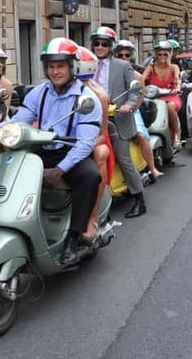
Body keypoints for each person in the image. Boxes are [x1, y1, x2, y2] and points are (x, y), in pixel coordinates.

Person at [10, 37, 103, 265]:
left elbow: (85, 143)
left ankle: (73, 237)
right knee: (7, 166)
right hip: (42, 150)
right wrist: (0, 130)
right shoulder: (38, 93)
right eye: (51, 66)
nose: (55, 72)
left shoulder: (87, 99)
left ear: (73, 67)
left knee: (90, 176)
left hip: (70, 153)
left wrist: (60, 169)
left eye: (61, 66)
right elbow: (20, 120)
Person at [90, 27, 147, 219]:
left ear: (110, 46)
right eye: (96, 43)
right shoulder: (86, 64)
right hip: (91, 119)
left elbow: (136, 90)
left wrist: (128, 106)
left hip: (116, 118)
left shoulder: (122, 66)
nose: (99, 47)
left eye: (104, 44)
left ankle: (139, 200)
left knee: (124, 159)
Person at [75, 45, 112, 242]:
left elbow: (102, 133)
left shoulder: (99, 95)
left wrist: (81, 146)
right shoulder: (53, 90)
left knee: (100, 153)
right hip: (64, 143)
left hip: (91, 142)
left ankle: (93, 217)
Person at [113, 40, 164, 181]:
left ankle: (152, 168)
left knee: (140, 135)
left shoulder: (136, 75)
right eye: (120, 55)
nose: (124, 58)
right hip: (110, 111)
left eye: (126, 55)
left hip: (130, 111)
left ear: (131, 57)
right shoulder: (109, 73)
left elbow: (140, 96)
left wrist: (131, 108)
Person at [141, 40, 182, 151]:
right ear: (156, 55)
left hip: (171, 95)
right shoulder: (151, 67)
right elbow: (142, 79)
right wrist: (141, 89)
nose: (162, 57)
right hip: (154, 97)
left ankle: (177, 134)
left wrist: (177, 88)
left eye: (165, 54)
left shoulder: (174, 67)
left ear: (169, 55)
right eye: (159, 54)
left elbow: (178, 79)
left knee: (170, 107)